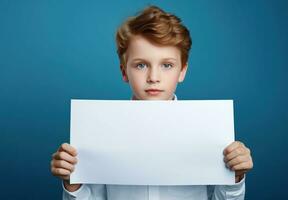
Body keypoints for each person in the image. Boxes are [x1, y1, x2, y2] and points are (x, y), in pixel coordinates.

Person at [50, 5, 253, 200]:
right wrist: (73, 184)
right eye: (140, 65)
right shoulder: (100, 130)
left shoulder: (209, 129)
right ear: (124, 71)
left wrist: (234, 178)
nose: (153, 77)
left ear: (182, 70)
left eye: (167, 65)